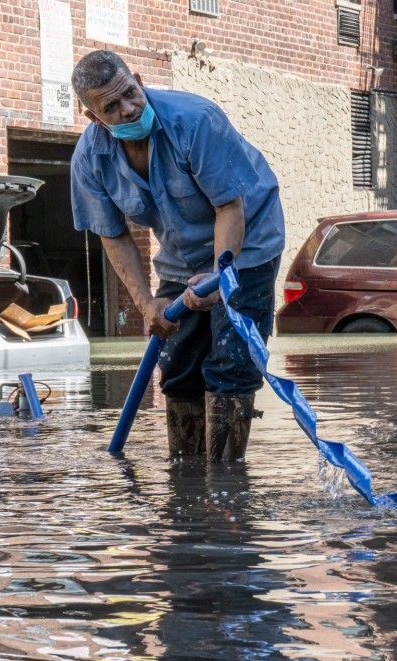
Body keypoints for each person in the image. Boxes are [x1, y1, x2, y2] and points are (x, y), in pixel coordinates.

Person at [70, 50, 285, 461]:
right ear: (93, 118)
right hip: (181, 253)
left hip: (248, 239)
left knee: (230, 362)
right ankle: (185, 480)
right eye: (112, 107)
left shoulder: (196, 120)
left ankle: (225, 481)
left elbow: (230, 208)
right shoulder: (90, 159)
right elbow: (113, 235)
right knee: (179, 366)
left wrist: (221, 278)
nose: (129, 109)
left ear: (137, 77)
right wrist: (147, 304)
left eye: (130, 93)